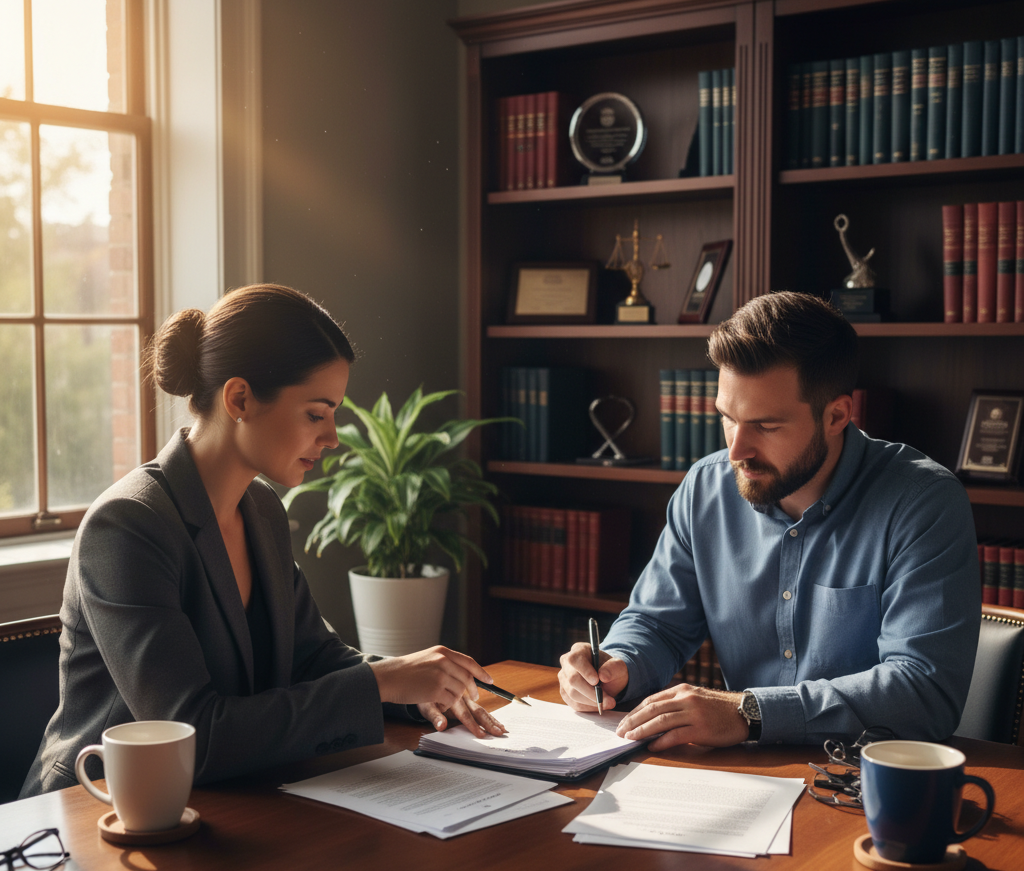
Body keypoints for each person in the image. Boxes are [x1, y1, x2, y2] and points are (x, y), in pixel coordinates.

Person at [21, 284, 503, 797]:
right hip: (96, 815)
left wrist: (416, 689)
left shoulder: (262, 509)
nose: (333, 436)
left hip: (228, 803)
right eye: (316, 414)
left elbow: (315, 657)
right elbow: (191, 737)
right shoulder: (127, 526)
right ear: (240, 399)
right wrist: (381, 683)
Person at [558, 291, 981, 749]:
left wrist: (750, 713)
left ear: (837, 414)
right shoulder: (706, 488)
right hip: (742, 776)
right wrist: (618, 664)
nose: (736, 451)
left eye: (766, 426)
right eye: (727, 418)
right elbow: (658, 623)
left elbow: (923, 691)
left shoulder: (923, 504)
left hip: (862, 780)